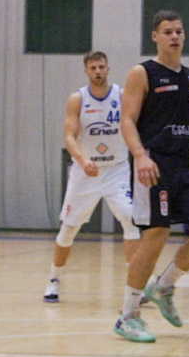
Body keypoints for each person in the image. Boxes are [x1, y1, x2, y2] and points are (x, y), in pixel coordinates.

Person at [116, 10, 189, 342]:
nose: (175, 36)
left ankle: (163, 286)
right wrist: (140, 156)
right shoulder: (142, 73)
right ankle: (127, 316)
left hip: (184, 165)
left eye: (179, 31)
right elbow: (127, 120)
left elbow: (186, 126)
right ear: (155, 36)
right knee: (156, 235)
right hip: (154, 163)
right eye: (168, 31)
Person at [43, 52, 140, 303]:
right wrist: (82, 160)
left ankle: (136, 285)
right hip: (86, 171)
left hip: (116, 169)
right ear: (86, 71)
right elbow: (69, 135)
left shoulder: (121, 95)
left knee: (130, 219)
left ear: (108, 69)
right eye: (93, 67)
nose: (98, 71)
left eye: (101, 67)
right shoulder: (77, 99)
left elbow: (134, 125)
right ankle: (54, 279)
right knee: (69, 229)